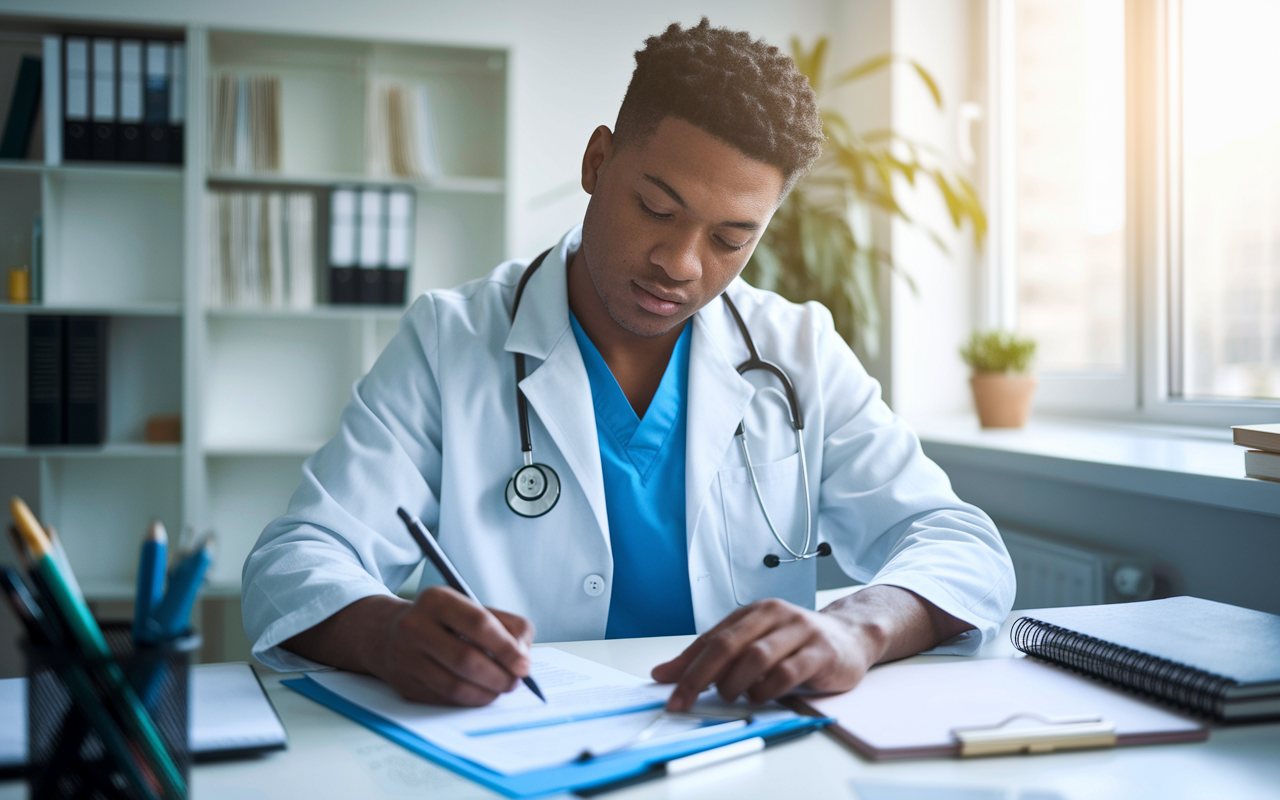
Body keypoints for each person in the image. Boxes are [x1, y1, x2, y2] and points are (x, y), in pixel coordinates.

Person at [242, 18, 1014, 712]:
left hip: (740, 750)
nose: (680, 263)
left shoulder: (798, 351)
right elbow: (294, 558)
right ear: (597, 160)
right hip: (516, 747)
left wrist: (857, 628)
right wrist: (384, 633)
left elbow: (961, 545)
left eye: (730, 238)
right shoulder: (452, 340)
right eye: (656, 208)